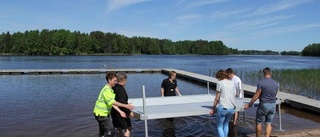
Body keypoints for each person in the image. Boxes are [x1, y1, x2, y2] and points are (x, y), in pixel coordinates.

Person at [93, 72, 134, 137]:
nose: (116, 82)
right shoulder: (107, 90)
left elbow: (112, 103)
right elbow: (113, 102)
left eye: (116, 81)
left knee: (102, 132)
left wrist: (120, 111)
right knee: (111, 131)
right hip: (101, 114)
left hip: (104, 113)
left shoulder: (111, 89)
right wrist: (125, 106)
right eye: (114, 81)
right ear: (109, 80)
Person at [244, 67, 279, 137]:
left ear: (264, 73)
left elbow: (257, 94)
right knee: (268, 123)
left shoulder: (261, 83)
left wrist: (250, 104)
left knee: (259, 122)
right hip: (273, 105)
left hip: (264, 105)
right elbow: (275, 94)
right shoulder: (276, 83)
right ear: (270, 73)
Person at [209, 70, 236, 137]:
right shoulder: (232, 83)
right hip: (232, 108)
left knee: (219, 126)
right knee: (226, 124)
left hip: (224, 107)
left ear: (220, 77)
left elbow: (217, 98)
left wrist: (213, 108)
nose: (217, 79)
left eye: (217, 78)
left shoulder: (220, 83)